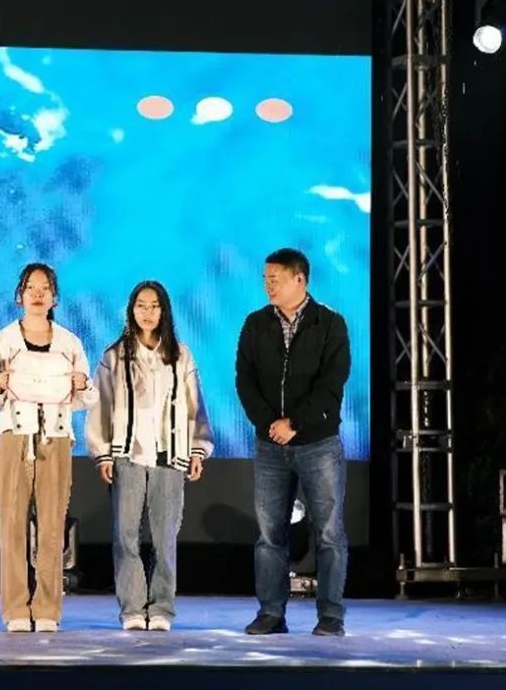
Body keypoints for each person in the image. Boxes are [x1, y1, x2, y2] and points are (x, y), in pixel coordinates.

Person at [0, 262, 98, 633]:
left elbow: (89, 397)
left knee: (52, 524)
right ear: (20, 295)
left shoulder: (69, 342)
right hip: (14, 435)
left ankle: (47, 607)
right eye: (31, 287)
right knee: (12, 523)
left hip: (56, 437)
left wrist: (81, 384)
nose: (38, 293)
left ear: (55, 297)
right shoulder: (0, 340)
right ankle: (15, 608)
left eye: (45, 288)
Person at [236, 248, 351, 637]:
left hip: (318, 443)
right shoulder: (255, 324)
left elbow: (332, 384)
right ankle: (271, 613)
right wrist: (271, 424)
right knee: (270, 535)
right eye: (265, 279)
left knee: (329, 533)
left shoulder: (330, 324)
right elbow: (244, 380)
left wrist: (295, 424)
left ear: (299, 279)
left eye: (275, 279)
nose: (268, 286)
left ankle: (331, 616)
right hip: (270, 445)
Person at [87, 280, 213, 632]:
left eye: (154, 306)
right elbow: (101, 405)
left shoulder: (180, 355)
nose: (147, 312)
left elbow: (195, 405)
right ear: (131, 310)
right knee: (125, 535)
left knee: (164, 538)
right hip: (127, 455)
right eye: (141, 306)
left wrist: (198, 448)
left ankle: (161, 608)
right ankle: (131, 608)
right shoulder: (114, 356)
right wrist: (102, 452)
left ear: (164, 311)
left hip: (168, 456)